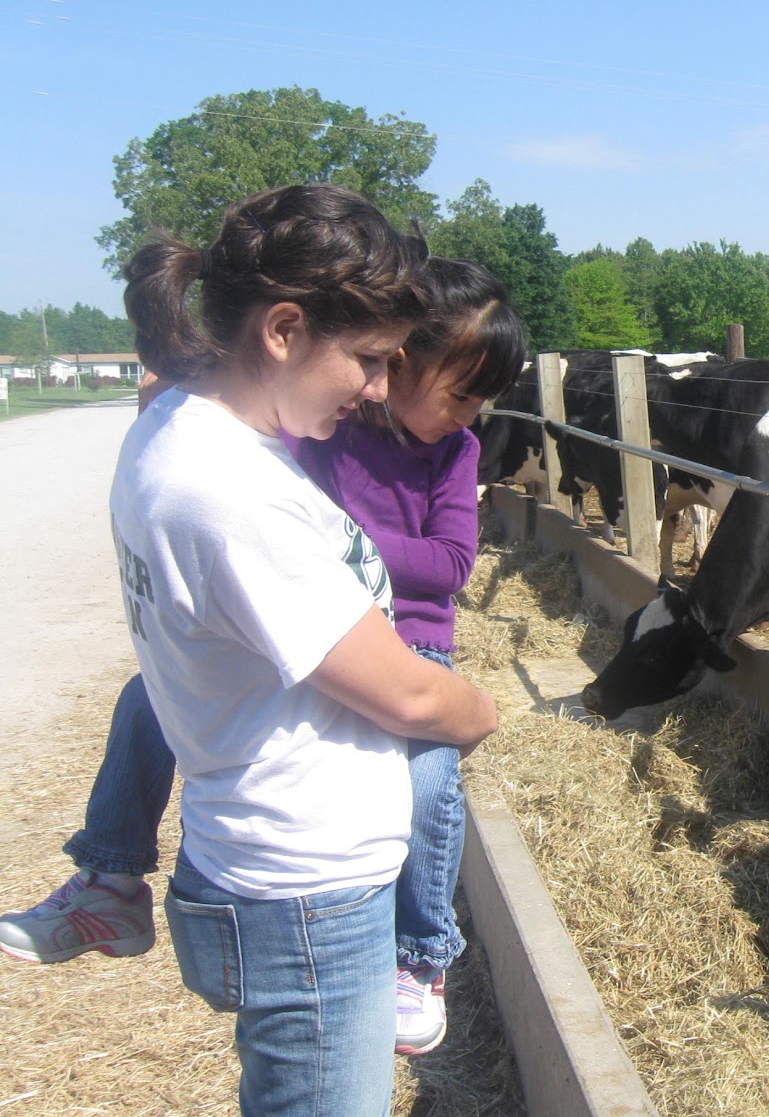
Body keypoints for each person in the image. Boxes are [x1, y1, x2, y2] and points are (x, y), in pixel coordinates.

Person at [0, 183, 499, 1116]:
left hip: (279, 875)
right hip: (309, 898)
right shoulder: (231, 497)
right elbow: (415, 700)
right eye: (367, 359)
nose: (379, 390)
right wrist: (481, 708)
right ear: (281, 330)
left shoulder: (185, 431)